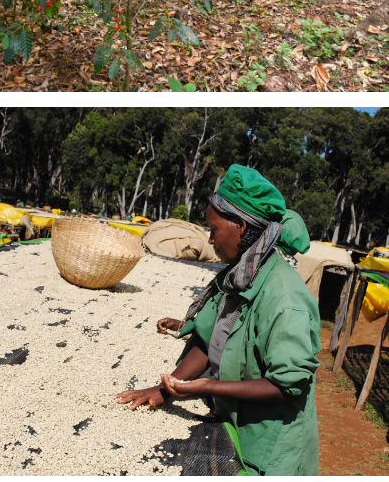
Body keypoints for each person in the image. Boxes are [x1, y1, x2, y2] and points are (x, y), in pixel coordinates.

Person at [116, 164, 320, 476]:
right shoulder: (237, 274)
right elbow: (206, 337)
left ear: (240, 225)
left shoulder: (284, 299)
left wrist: (209, 386)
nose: (210, 240)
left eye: (213, 230)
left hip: (271, 449)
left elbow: (287, 384)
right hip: (233, 419)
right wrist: (167, 388)